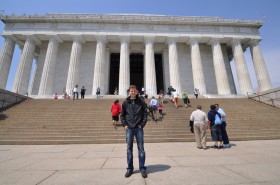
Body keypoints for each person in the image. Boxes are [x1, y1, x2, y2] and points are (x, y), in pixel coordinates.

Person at [120, 85, 148, 178]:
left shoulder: (141, 102)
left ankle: (142, 168)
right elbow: (122, 115)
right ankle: (130, 169)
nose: (132, 92)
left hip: (138, 128)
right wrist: (125, 125)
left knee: (141, 149)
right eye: (131, 91)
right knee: (129, 149)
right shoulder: (125, 103)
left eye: (134, 91)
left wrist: (142, 125)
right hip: (129, 128)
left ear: (137, 92)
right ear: (129, 92)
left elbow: (145, 114)